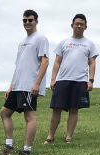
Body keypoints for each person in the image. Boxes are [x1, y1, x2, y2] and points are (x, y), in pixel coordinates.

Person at [0, 9, 49, 155]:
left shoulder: (41, 39)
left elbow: (45, 61)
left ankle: (26, 150)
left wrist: (37, 83)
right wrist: (11, 86)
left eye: (30, 20)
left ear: (36, 21)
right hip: (18, 85)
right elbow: (19, 65)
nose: (27, 23)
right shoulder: (22, 43)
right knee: (5, 112)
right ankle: (8, 147)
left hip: (29, 85)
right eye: (25, 20)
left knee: (29, 117)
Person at [44, 14, 98, 144]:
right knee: (57, 108)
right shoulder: (64, 42)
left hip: (80, 81)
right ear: (72, 25)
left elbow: (92, 63)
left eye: (82, 24)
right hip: (63, 80)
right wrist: (53, 79)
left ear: (85, 27)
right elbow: (57, 62)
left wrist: (91, 80)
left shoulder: (90, 44)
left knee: (74, 109)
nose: (79, 26)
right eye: (77, 23)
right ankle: (50, 136)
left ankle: (68, 137)